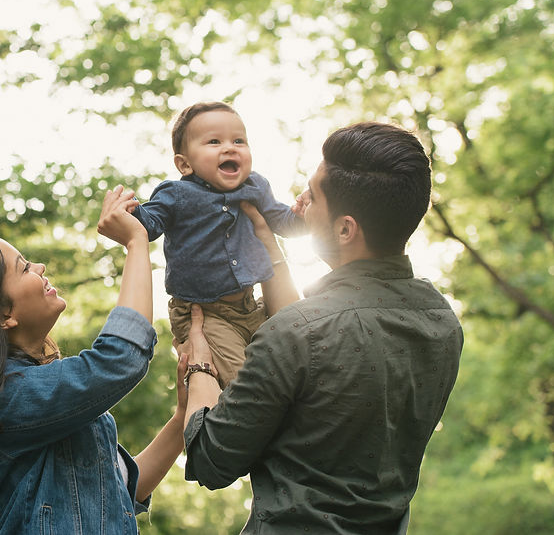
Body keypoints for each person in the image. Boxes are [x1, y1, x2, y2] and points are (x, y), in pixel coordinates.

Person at [180, 122, 464, 534]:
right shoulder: (442, 322)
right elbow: (328, 342)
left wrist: (199, 368)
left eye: (312, 195)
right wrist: (266, 241)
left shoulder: (297, 333)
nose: (299, 203)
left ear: (346, 228)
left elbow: (211, 460)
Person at [0, 186, 188, 535]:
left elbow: (122, 491)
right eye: (23, 268)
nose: (39, 266)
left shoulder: (38, 397)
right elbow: (119, 359)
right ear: (1, 313)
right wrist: (136, 244)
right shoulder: (2, 400)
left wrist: (181, 420)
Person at [134, 101, 306, 388]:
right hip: (204, 313)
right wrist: (131, 211)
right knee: (247, 383)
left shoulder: (257, 187)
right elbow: (148, 225)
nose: (230, 147)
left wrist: (307, 216)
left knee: (288, 370)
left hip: (250, 307)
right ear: (184, 164)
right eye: (214, 141)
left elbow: (284, 222)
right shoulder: (177, 193)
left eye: (239, 140)